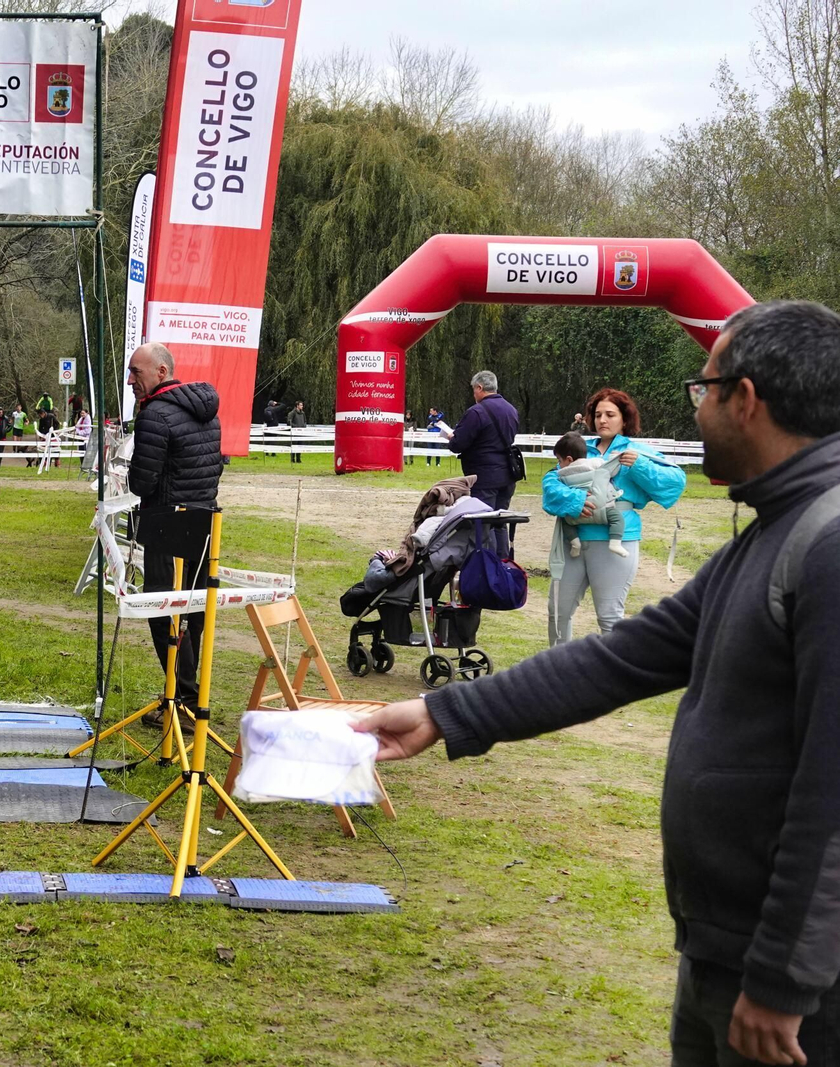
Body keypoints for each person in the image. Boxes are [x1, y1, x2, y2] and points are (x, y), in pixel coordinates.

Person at [355, 299, 840, 1067]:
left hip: (793, 982)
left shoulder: (826, 544)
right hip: (724, 946)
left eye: (703, 388)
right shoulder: (773, 534)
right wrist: (447, 711)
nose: (700, 406)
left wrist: (788, 976)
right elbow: (621, 658)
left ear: (744, 399)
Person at [125, 342, 221, 727]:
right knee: (195, 612)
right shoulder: (208, 411)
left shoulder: (155, 415)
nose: (131, 380)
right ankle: (190, 694)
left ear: (161, 373)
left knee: (162, 611)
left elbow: (140, 481)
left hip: (166, 526)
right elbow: (215, 468)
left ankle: (177, 699)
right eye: (130, 372)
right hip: (203, 524)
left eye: (137, 372)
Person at [542, 387, 685, 643]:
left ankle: (613, 680)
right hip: (571, 539)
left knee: (609, 617)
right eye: (597, 415)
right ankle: (558, 676)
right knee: (557, 613)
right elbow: (551, 483)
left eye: (610, 414)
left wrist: (639, 465)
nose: (602, 420)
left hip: (615, 541)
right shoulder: (578, 448)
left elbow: (674, 483)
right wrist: (574, 500)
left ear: (624, 418)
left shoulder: (637, 451)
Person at [442, 371, 520, 556]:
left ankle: (488, 566)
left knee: (484, 522)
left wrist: (452, 437)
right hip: (508, 474)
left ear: (479, 388)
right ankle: (503, 565)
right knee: (499, 522)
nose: (473, 394)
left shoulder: (476, 412)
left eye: (473, 390)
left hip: (484, 475)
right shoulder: (511, 409)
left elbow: (458, 444)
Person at [549, 432, 627, 559]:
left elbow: (556, 489)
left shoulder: (561, 474)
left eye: (559, 460)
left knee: (564, 521)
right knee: (617, 519)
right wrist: (615, 458)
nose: (559, 464)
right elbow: (611, 471)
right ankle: (615, 543)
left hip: (575, 514)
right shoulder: (595, 463)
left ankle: (575, 543)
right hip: (602, 509)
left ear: (569, 459)